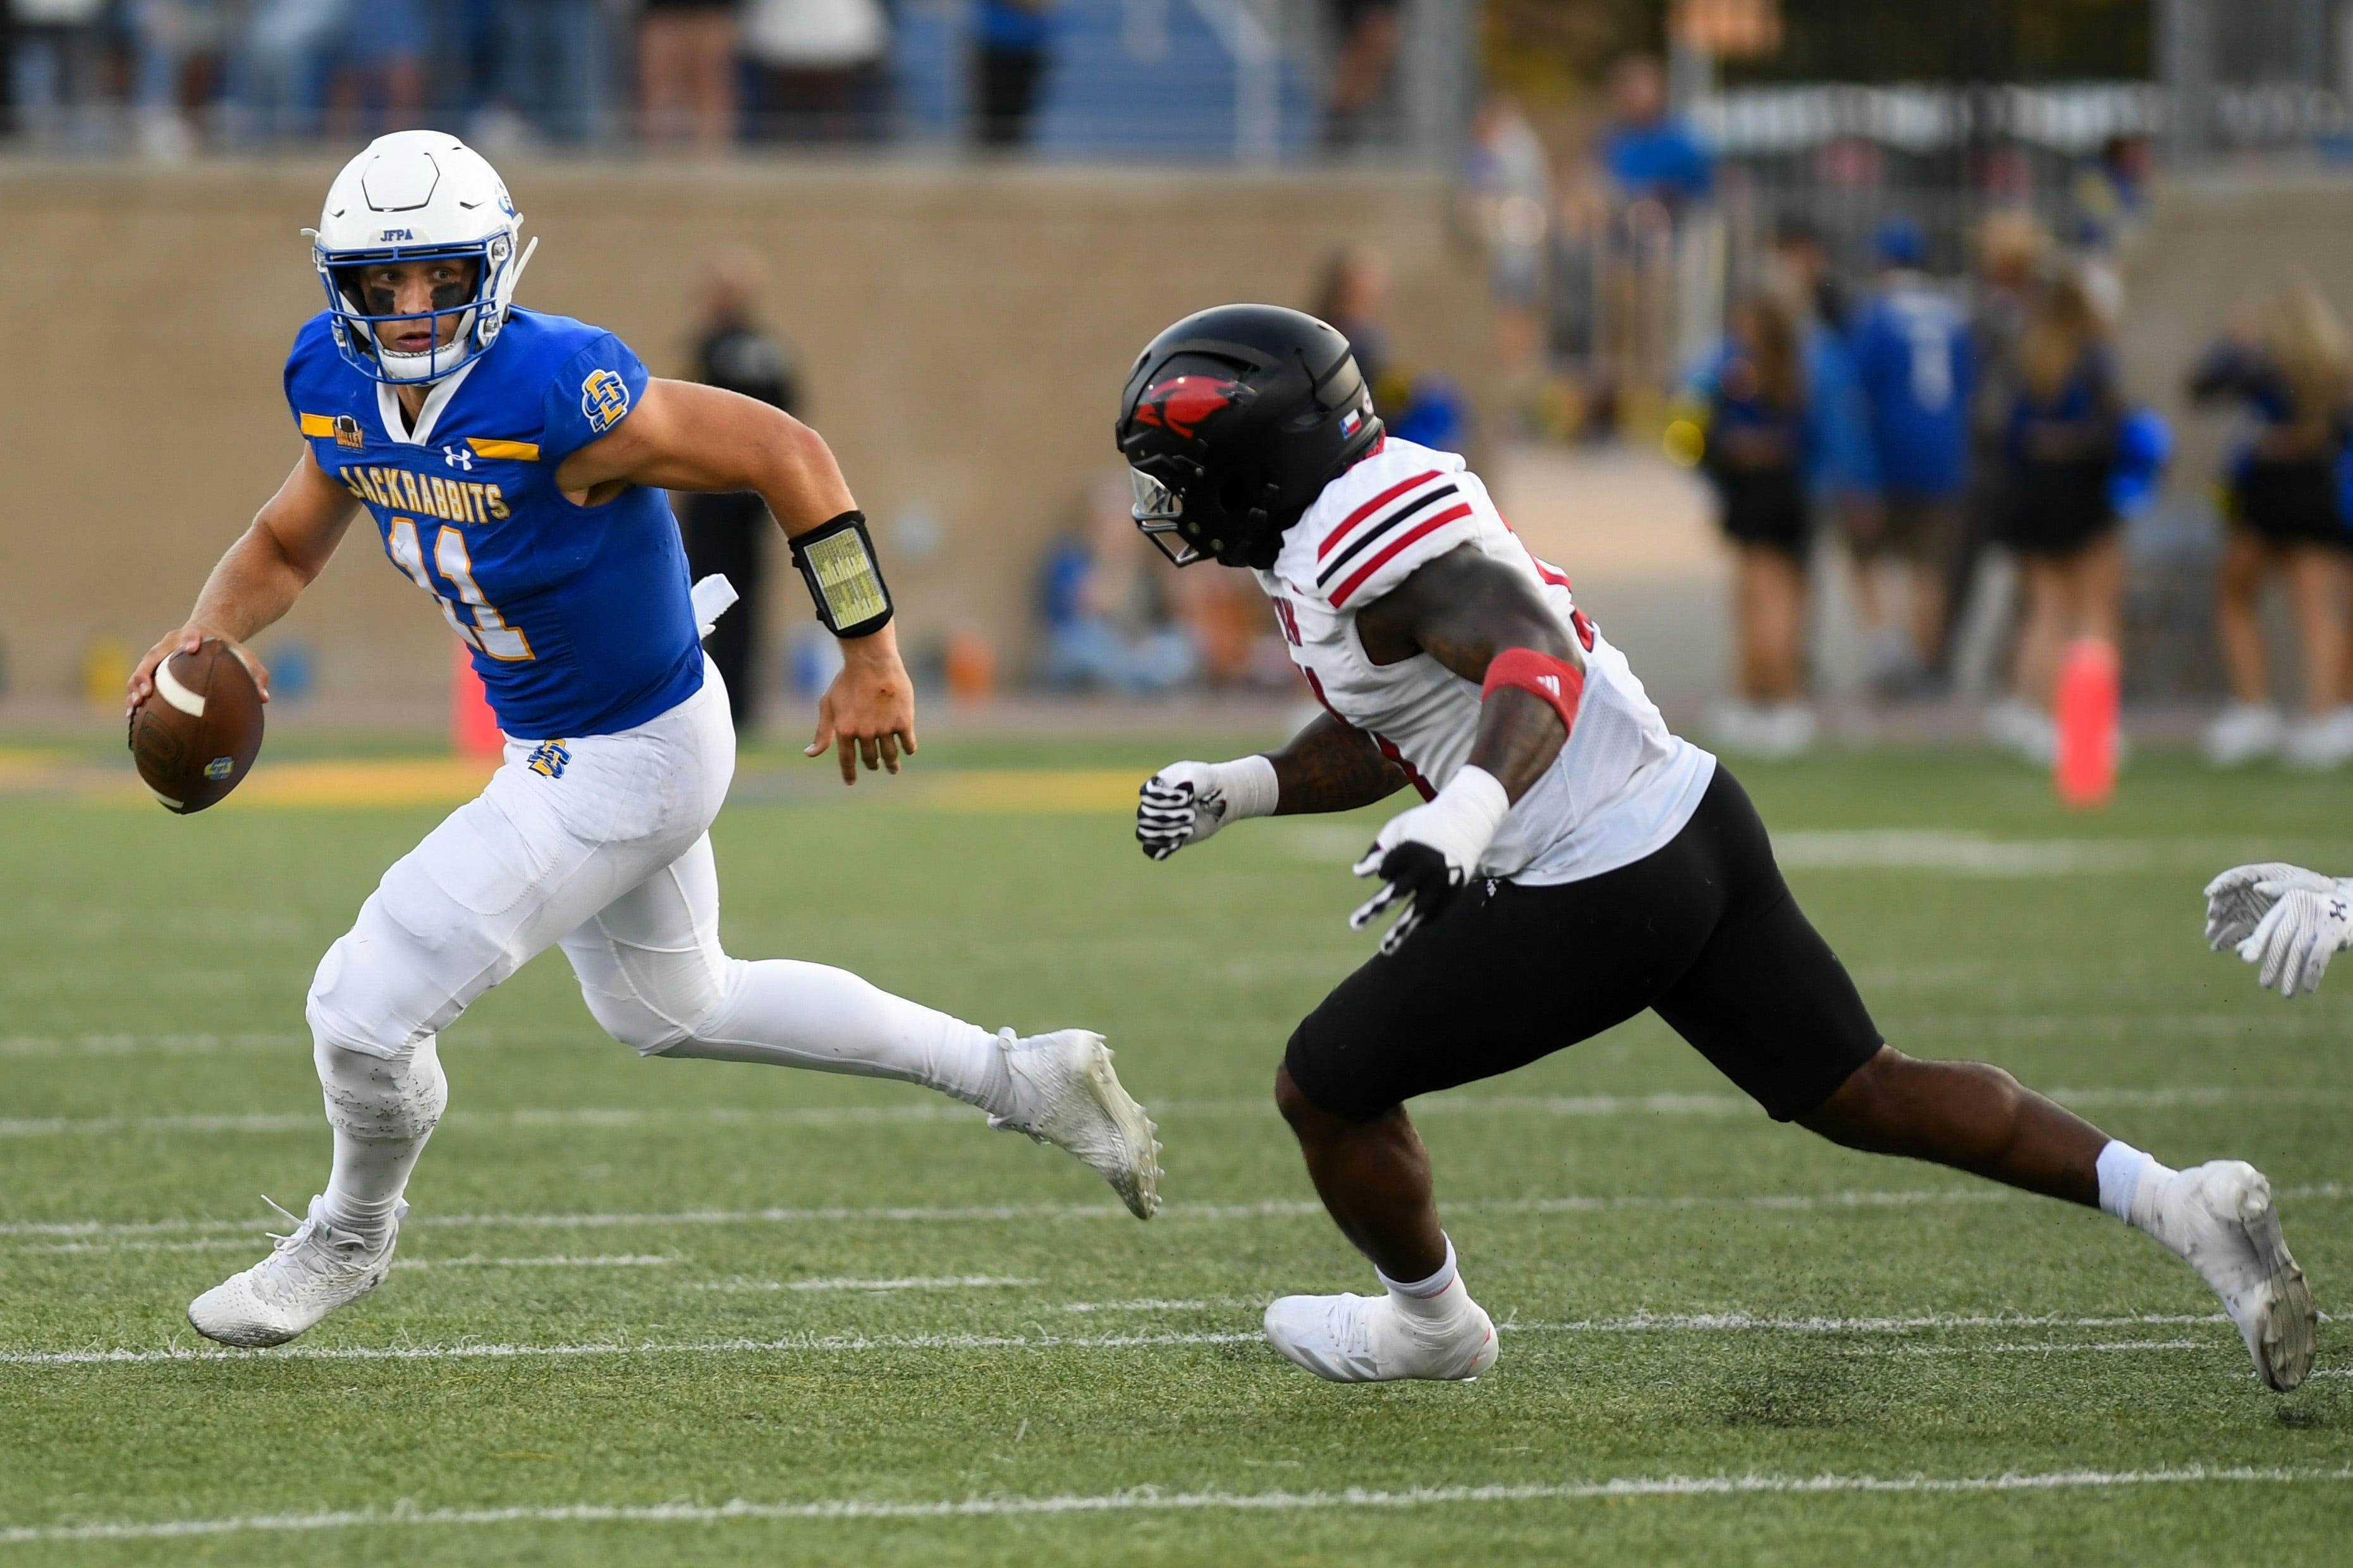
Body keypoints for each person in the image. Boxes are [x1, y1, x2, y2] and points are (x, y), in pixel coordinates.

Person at [1117, 302, 2314, 1390]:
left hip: (1593, 878)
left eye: (1182, 475)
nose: (1169, 503)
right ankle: (2179, 1204)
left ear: (1253, 463)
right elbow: (1410, 711)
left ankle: (1430, 1326)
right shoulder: (1357, 512)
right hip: (1689, 820)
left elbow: (1539, 659)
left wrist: (1468, 813)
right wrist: (1245, 787)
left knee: (1323, 1085)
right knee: (1861, 1088)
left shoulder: (1356, 540)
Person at [126, 131, 1160, 1350]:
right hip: (583, 737)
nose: (410, 311)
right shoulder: (337, 385)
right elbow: (289, 544)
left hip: (623, 751)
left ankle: (349, 1235)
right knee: (676, 1005)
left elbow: (787, 453)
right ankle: (1026, 1077)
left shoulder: (558, 387)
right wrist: (206, 635)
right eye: (381, 284)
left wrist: (870, 650)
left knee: (362, 1010)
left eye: (440, 277)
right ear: (339, 287)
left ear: (494, 268)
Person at [2189, 281, 2353, 769]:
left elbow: (2203, 384)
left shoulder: (2262, 366)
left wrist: (2235, 341)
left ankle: (2263, 708)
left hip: (2271, 491)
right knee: (2316, 609)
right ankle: (2322, 717)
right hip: (2314, 490)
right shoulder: (2332, 370)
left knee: (2241, 596)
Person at [1687, 291, 1851, 756]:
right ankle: (1763, 695)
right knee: (1773, 597)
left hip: (1757, 494)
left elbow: (1698, 428)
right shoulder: (1799, 370)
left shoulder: (1737, 373)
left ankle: (1776, 696)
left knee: (1762, 600)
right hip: (1788, 493)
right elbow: (1818, 437)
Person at [1983, 270, 2123, 765]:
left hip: (2036, 491)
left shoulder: (2033, 356)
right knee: (2094, 610)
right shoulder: (2094, 359)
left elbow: (2011, 433)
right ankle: (2088, 726)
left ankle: (2034, 711)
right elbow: (2114, 430)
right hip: (2081, 491)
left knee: (2046, 609)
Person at [1847, 218, 1974, 698]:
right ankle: (1924, 666)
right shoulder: (1953, 314)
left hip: (1888, 455)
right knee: (1930, 568)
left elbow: (1854, 392)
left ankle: (1886, 644)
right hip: (1943, 457)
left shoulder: (1877, 316)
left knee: (1865, 555)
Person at [678, 250, 800, 731]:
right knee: (744, 601)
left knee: (699, 601)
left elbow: (686, 425)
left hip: (712, 498)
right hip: (754, 499)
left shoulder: (710, 350)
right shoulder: (772, 352)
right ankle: (742, 703)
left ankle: (711, 700)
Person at [636, 0, 738, 150]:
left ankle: (713, 160)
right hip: (662, 16)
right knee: (659, 95)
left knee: (711, 94)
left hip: (713, 14)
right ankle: (656, 161)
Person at [970, 0, 1056, 149]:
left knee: (1019, 121)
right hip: (996, 46)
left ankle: (1007, 157)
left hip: (1031, 45)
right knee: (995, 120)